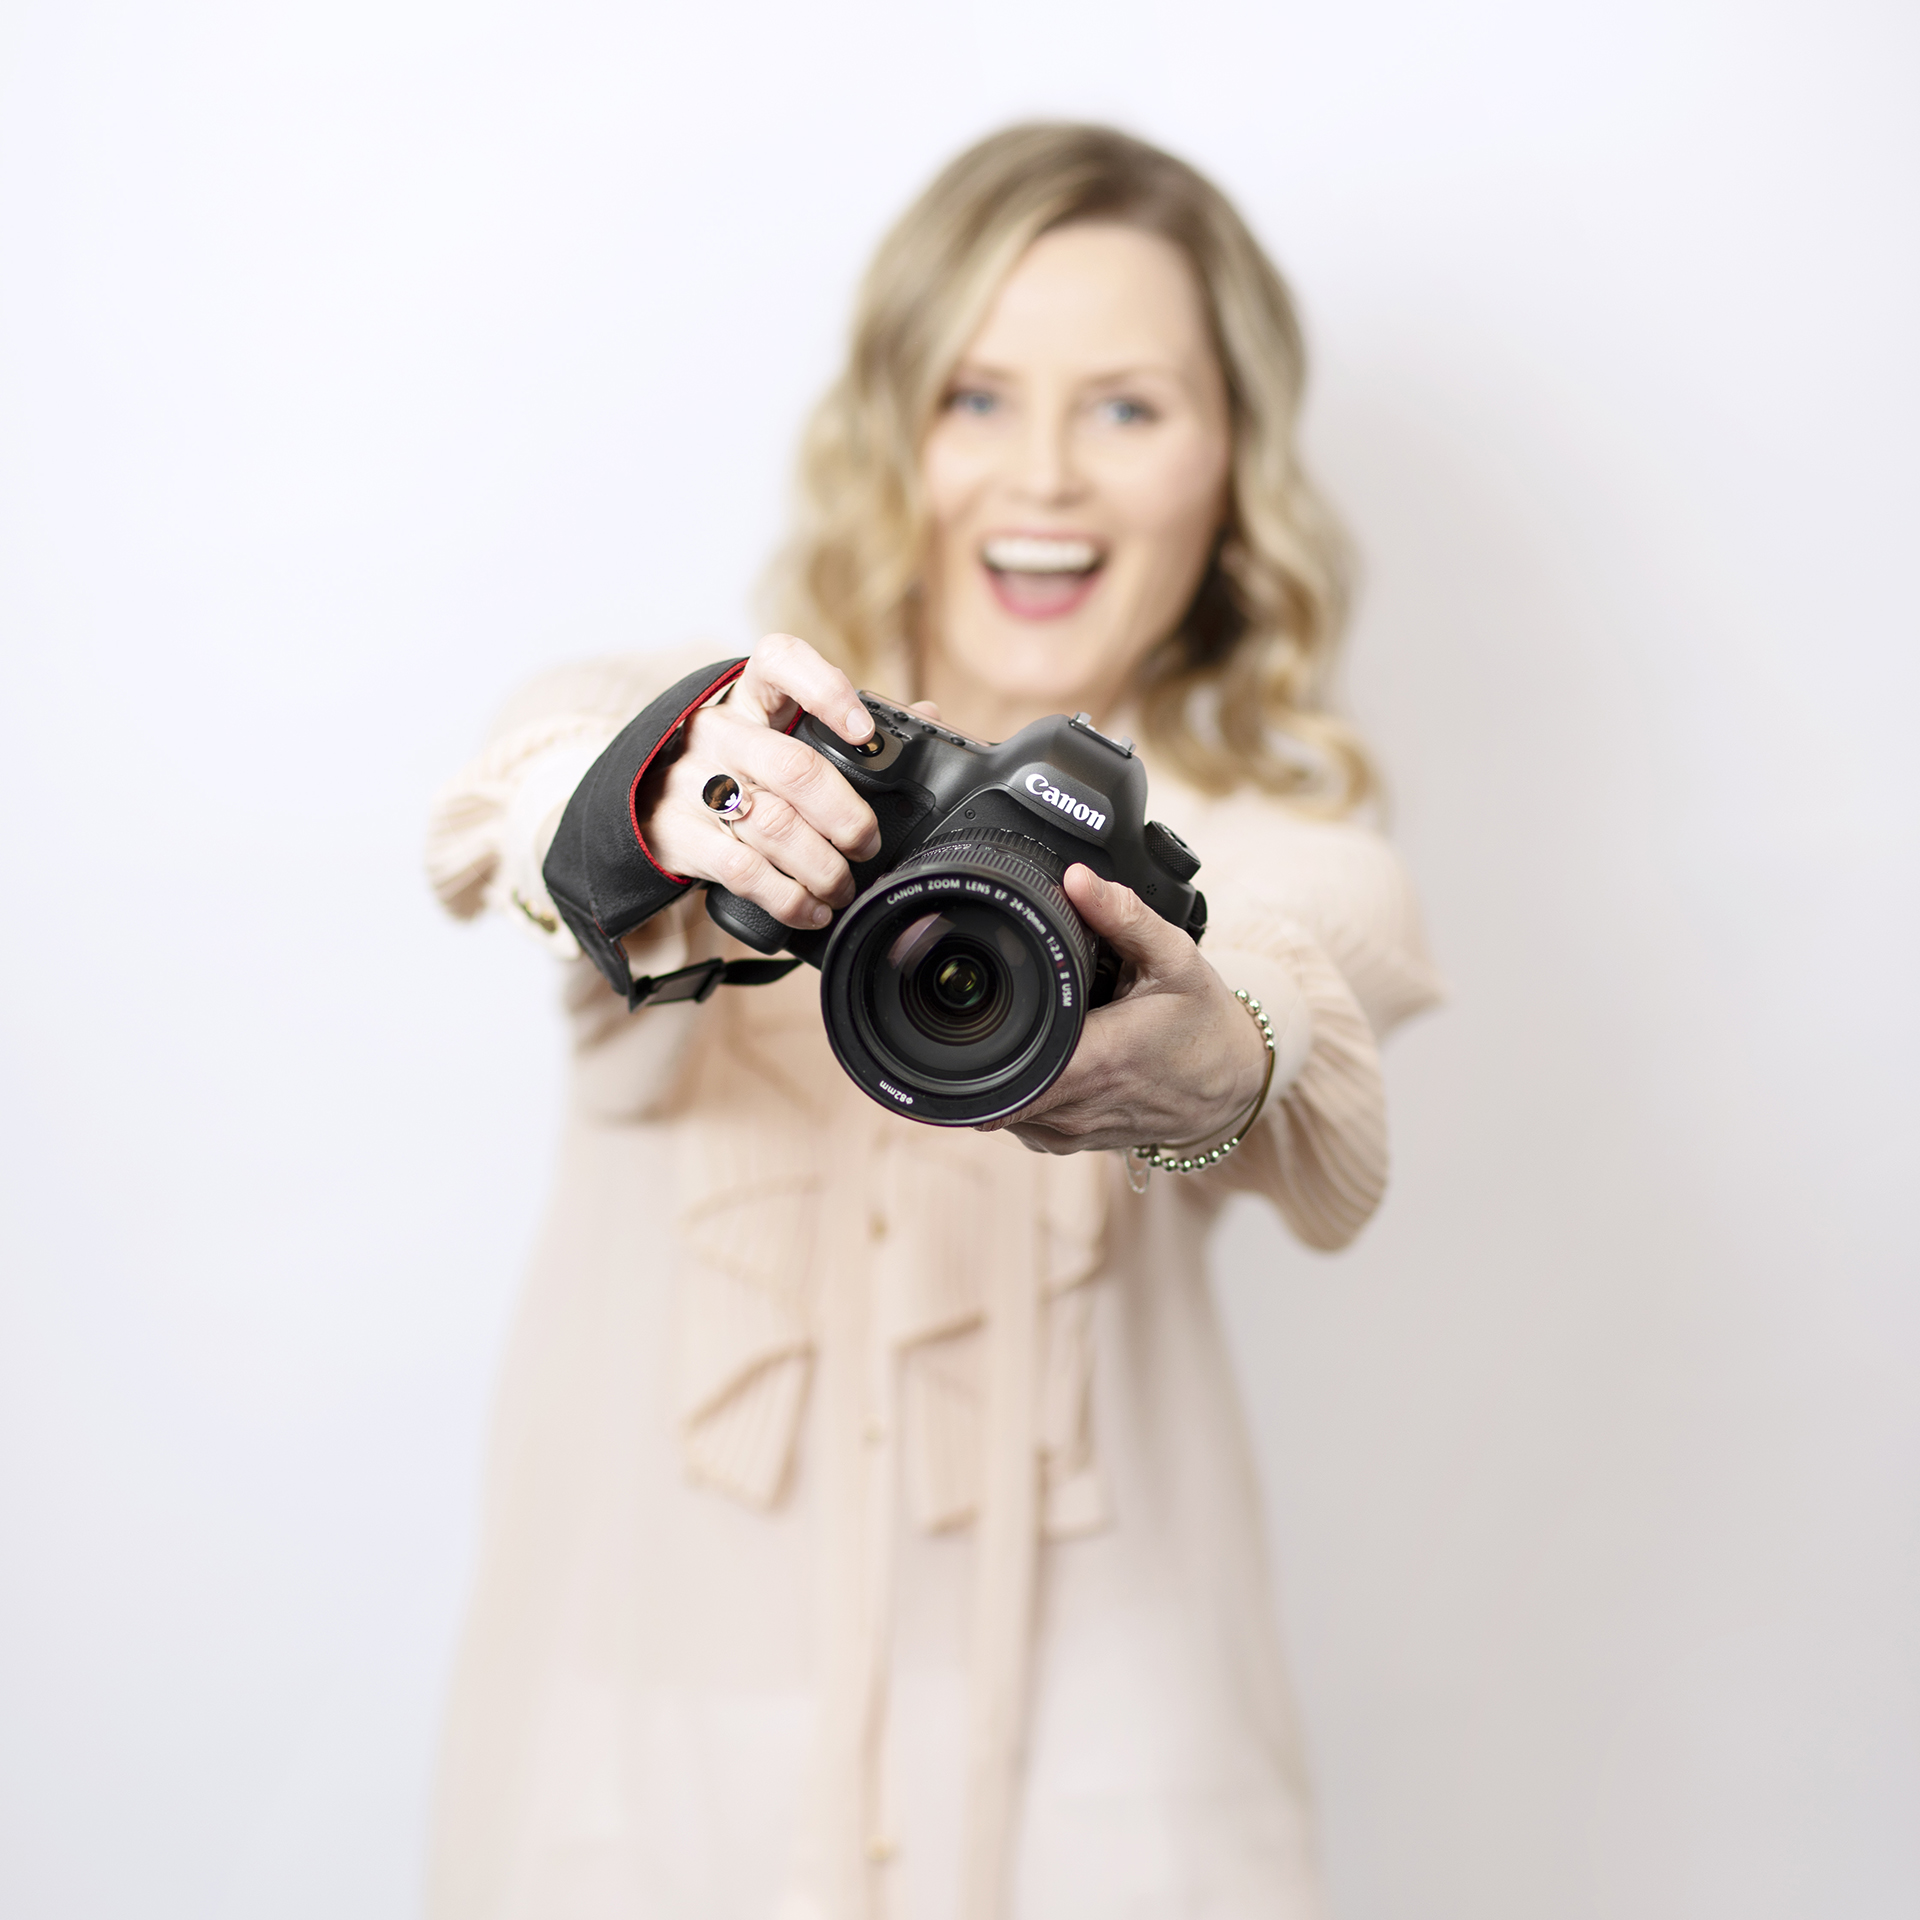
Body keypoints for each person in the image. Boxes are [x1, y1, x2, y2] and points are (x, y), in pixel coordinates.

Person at [424, 122, 1440, 1920]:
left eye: (1127, 406)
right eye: (979, 394)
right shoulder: (740, 757)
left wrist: (1217, 1068)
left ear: (1232, 457)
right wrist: (651, 805)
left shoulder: (1282, 849)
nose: (1045, 476)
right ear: (896, 423)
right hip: (647, 1795)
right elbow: (526, 775)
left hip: (1113, 1802)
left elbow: (1299, 983)